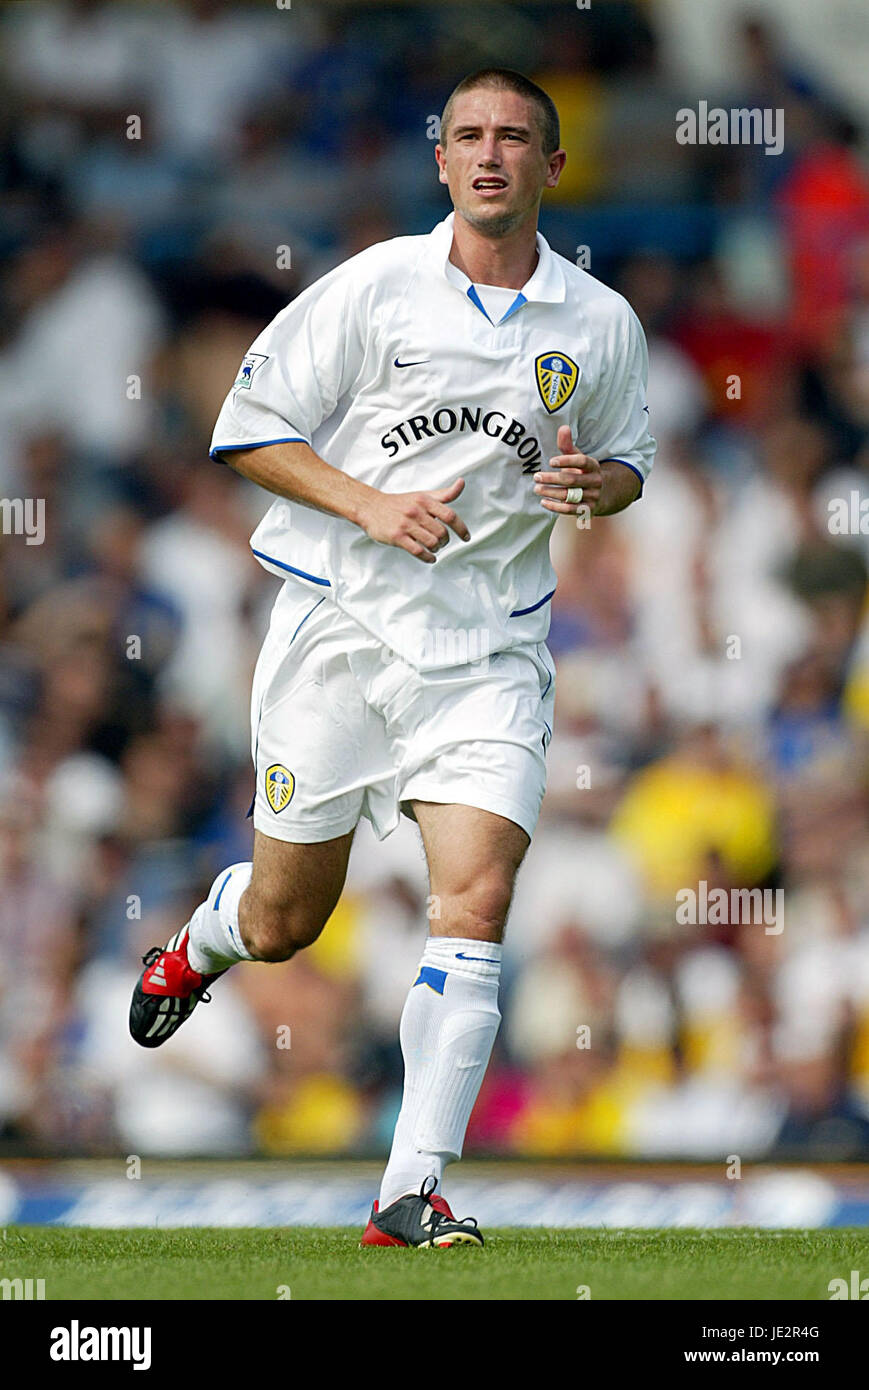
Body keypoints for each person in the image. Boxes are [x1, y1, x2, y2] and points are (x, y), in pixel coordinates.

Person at [129, 67, 655, 1248]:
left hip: (488, 650)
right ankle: (200, 942)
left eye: (513, 137)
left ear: (551, 167)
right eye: (467, 135)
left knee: (473, 899)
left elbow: (627, 461)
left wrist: (596, 487)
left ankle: (406, 1190)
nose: (488, 155)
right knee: (283, 922)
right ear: (439, 162)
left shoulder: (599, 323)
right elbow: (245, 428)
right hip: (339, 632)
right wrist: (368, 505)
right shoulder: (374, 288)